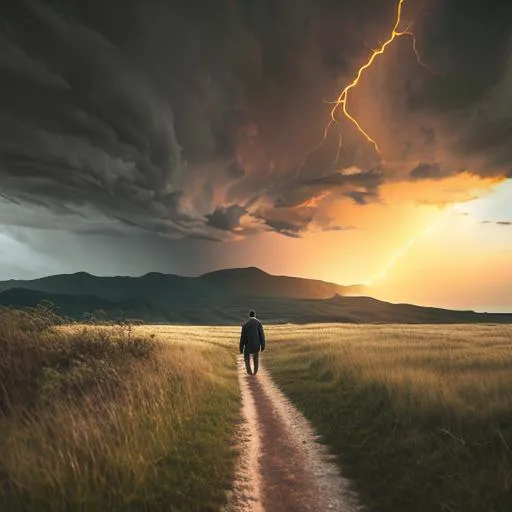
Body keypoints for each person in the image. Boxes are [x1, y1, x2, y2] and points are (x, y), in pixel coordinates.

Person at [239, 310, 265, 375]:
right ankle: (255, 372)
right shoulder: (259, 323)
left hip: (247, 345)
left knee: (246, 358)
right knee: (256, 358)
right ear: (255, 315)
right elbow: (262, 335)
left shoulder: (245, 324)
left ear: (249, 316)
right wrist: (263, 346)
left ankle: (249, 372)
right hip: (256, 345)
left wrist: (241, 348)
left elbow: (242, 337)